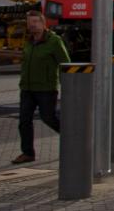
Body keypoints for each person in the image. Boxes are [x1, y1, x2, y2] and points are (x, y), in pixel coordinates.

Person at [4, 10, 70, 164]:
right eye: (29, 23)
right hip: (27, 88)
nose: (32, 25)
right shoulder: (28, 41)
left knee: (48, 118)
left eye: (35, 22)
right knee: (24, 121)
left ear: (43, 23)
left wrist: (68, 86)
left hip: (46, 89)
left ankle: (72, 140)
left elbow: (65, 64)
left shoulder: (54, 41)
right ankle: (28, 153)